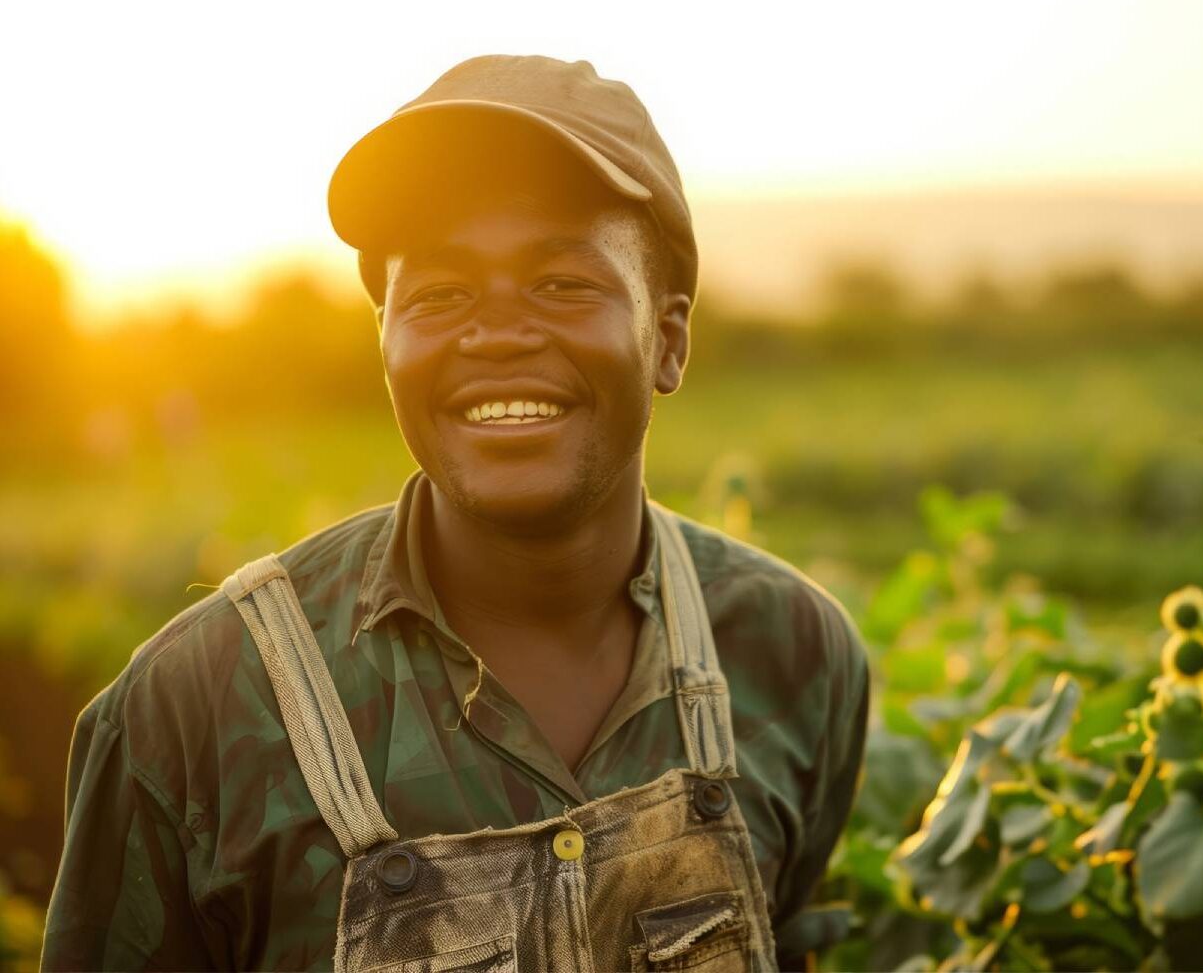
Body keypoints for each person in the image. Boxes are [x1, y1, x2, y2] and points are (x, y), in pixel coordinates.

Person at [41, 54, 870, 972]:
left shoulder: (794, 653)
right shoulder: (189, 713)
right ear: (386, 340)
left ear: (667, 338)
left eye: (562, 284)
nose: (499, 334)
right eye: (439, 295)